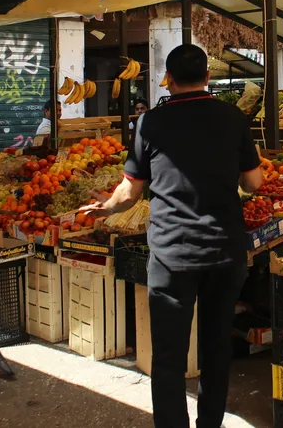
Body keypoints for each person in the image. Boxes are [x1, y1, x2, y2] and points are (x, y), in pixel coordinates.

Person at [81, 44, 262, 428]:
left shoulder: (150, 123)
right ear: (207, 78)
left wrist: (105, 208)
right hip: (224, 251)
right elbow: (254, 182)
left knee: (168, 356)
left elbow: (129, 193)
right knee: (216, 349)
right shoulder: (233, 117)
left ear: (170, 79)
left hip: (171, 254)